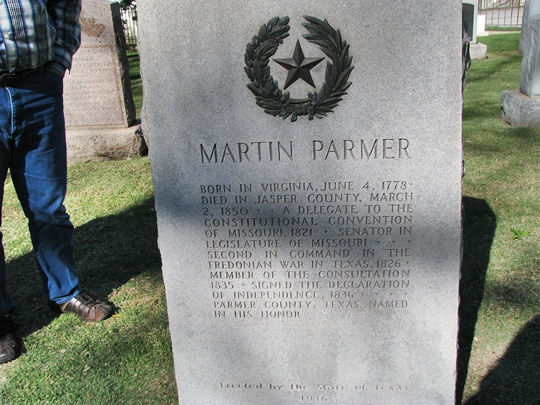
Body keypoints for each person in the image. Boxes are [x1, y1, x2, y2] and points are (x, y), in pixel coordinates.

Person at [0, 0, 114, 365]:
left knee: (48, 205)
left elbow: (64, 5)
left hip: (38, 87)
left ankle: (66, 292)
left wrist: (57, 62)